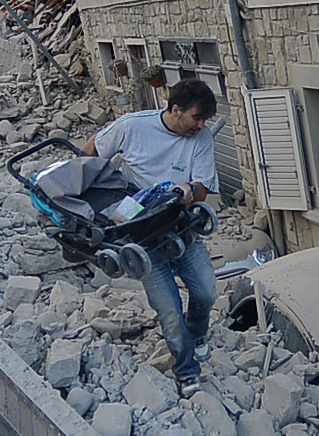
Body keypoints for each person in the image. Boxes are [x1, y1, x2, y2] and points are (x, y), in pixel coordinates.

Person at [82, 78, 219, 392]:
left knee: (207, 292)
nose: (201, 125)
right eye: (196, 118)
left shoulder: (201, 138)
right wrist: (80, 188)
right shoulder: (132, 127)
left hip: (179, 224)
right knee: (169, 309)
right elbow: (90, 151)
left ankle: (196, 334)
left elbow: (202, 188)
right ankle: (187, 373)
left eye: (204, 120)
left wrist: (188, 191)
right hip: (138, 231)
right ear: (175, 110)